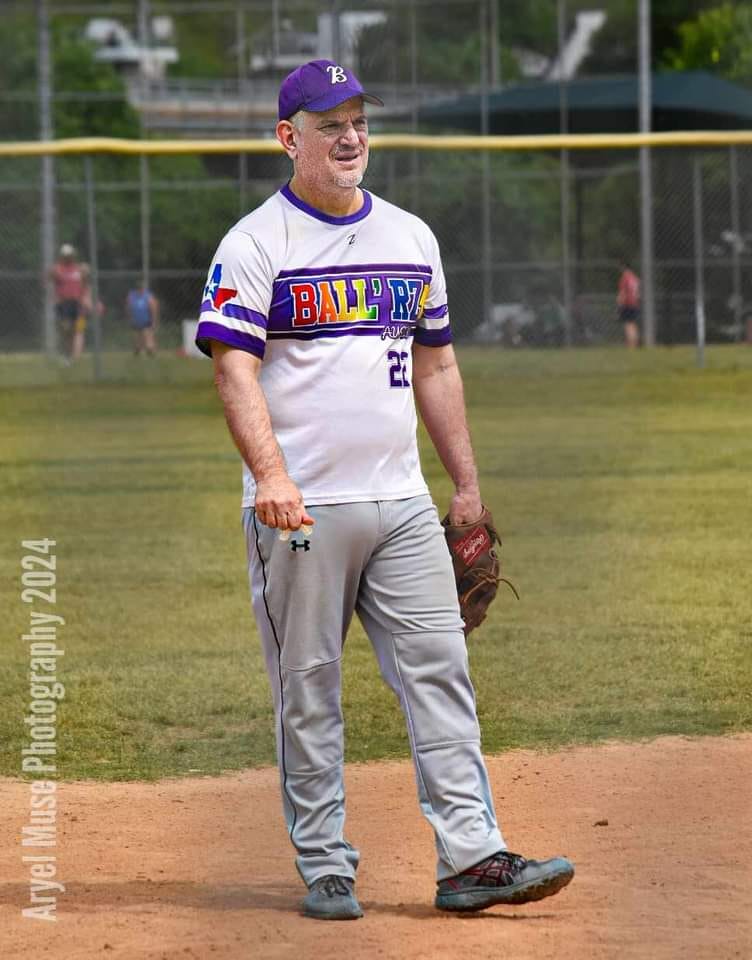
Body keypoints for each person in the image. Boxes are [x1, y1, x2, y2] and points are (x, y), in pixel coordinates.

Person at [196, 59, 574, 922]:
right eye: (329, 124)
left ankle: (471, 859)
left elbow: (438, 363)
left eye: (359, 119)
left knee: (441, 671)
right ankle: (328, 866)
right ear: (289, 139)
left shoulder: (411, 236)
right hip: (304, 510)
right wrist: (272, 477)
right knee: (311, 688)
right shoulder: (257, 244)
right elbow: (234, 370)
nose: (351, 136)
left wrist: (466, 486)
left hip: (402, 503)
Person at [50, 244, 89, 362]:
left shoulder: (80, 269)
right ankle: (68, 353)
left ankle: (75, 357)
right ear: (62, 256)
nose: (68, 258)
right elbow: (49, 279)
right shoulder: (57, 269)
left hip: (78, 303)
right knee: (66, 329)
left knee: (79, 329)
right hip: (64, 304)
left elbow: (85, 285)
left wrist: (86, 299)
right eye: (65, 256)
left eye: (70, 255)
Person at [126, 283, 159, 355]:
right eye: (138, 288)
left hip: (146, 320)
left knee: (147, 335)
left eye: (141, 288)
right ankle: (138, 349)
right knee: (137, 337)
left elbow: (153, 308)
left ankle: (150, 350)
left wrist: (154, 320)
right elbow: (129, 307)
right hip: (136, 320)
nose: (140, 290)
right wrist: (130, 317)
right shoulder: (132, 296)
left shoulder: (148, 296)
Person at [617, 260, 640, 348]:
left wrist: (620, 304)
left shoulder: (625, 277)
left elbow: (622, 292)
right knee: (633, 323)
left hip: (627, 303)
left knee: (628, 324)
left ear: (623, 267)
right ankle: (635, 343)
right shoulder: (634, 278)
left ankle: (631, 345)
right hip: (635, 302)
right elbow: (638, 292)